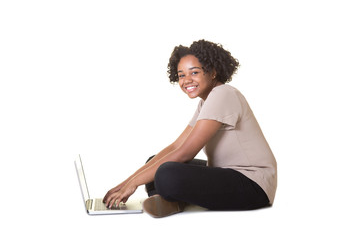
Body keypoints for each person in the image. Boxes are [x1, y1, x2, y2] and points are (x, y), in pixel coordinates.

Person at [103, 40, 277, 217]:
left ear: (213, 71)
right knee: (154, 161)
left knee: (165, 172)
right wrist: (125, 183)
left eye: (194, 72)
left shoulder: (223, 94)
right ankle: (167, 202)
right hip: (227, 175)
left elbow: (185, 153)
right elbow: (175, 146)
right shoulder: (206, 101)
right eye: (181, 75)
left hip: (253, 186)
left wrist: (133, 185)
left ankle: (171, 198)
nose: (187, 80)